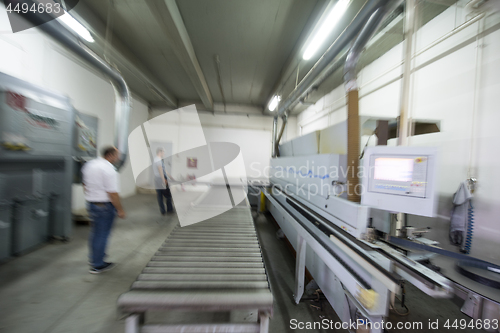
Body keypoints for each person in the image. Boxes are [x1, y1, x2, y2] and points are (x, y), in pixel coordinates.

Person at [82, 146, 126, 274]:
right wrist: (120, 210)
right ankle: (97, 265)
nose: (118, 158)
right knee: (103, 234)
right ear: (110, 155)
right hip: (104, 206)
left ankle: (94, 258)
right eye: (117, 155)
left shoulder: (89, 165)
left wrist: (91, 197)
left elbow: (85, 185)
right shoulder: (109, 169)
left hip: (92, 204)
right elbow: (112, 194)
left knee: (95, 233)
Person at [153, 147, 174, 215]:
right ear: (160, 152)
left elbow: (164, 169)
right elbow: (160, 170)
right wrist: (164, 179)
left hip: (156, 179)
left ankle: (162, 211)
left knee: (159, 195)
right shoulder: (158, 160)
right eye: (163, 152)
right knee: (168, 195)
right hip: (161, 179)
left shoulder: (156, 159)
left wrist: (170, 177)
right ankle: (169, 209)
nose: (164, 153)